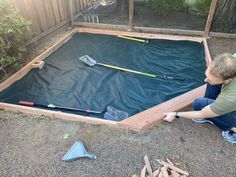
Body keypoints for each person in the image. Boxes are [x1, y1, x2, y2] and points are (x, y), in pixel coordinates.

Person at [163, 53, 236, 144]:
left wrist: (175, 114)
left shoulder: (230, 98)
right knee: (212, 85)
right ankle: (212, 113)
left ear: (227, 79)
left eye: (209, 78)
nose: (205, 80)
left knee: (198, 104)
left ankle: (232, 130)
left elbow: (201, 113)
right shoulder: (232, 61)